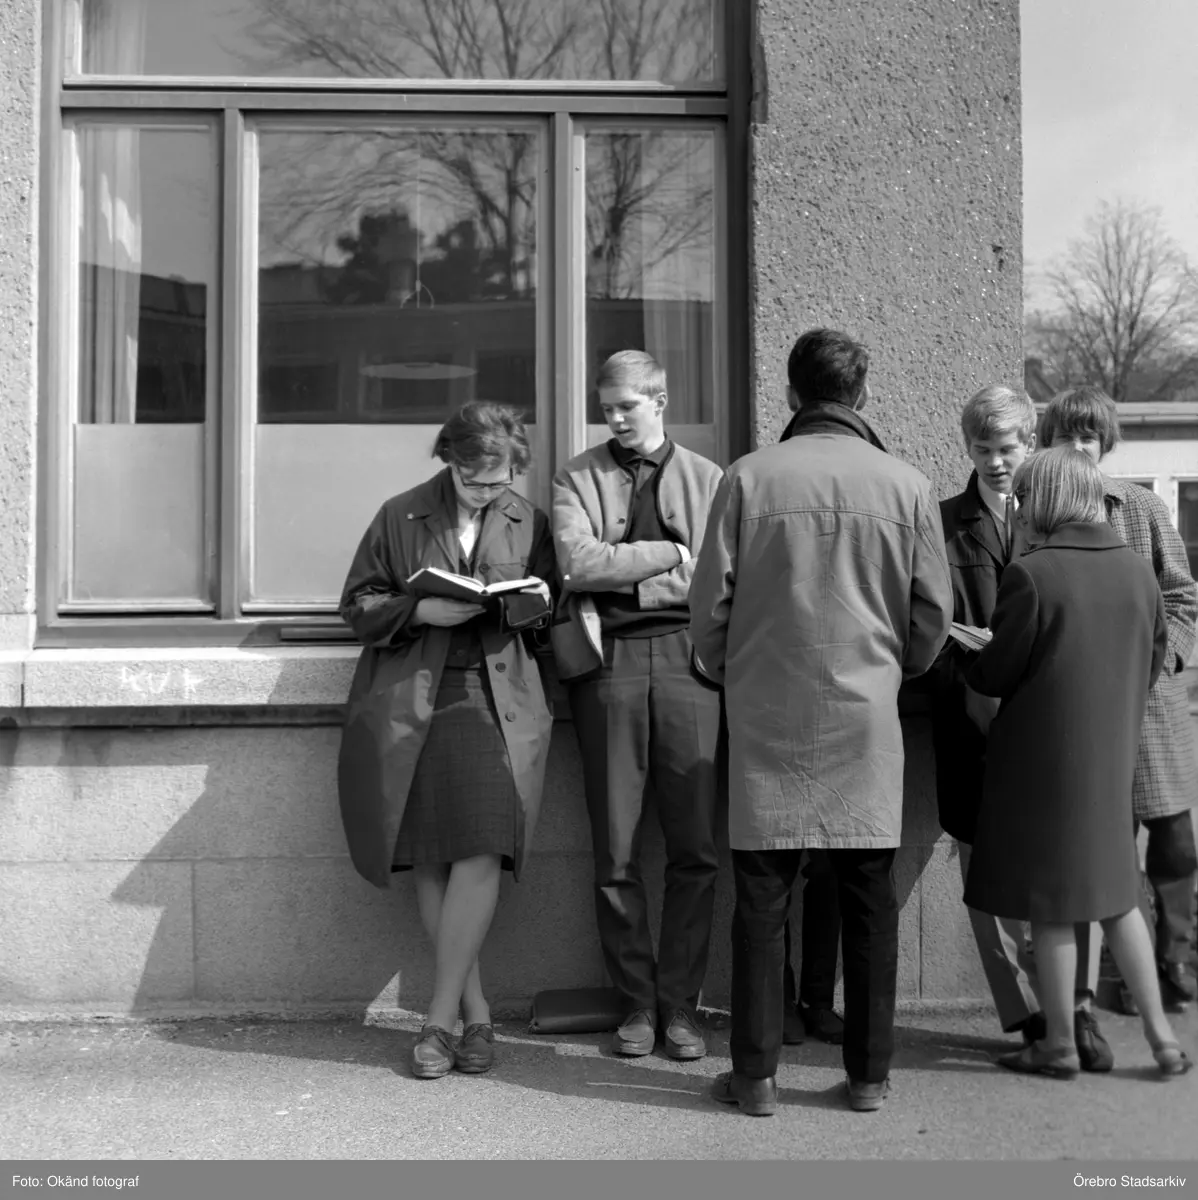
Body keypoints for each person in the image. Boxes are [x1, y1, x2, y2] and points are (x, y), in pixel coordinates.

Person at [689, 328, 953, 1115]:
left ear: (792, 395)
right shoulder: (906, 486)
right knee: (870, 899)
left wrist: (731, 670)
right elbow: (932, 618)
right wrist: (888, 671)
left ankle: (756, 1076)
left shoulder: (748, 478)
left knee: (761, 900)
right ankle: (869, 1077)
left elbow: (708, 612)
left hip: (768, 712)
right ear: (863, 397)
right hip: (866, 717)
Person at [337, 402, 556, 1081]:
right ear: (448, 458)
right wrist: (417, 608)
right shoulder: (399, 513)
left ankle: (437, 1020)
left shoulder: (530, 519)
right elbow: (357, 605)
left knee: (483, 844)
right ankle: (478, 1011)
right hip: (414, 699)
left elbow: (554, 611)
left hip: (495, 700)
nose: (487, 492)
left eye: (499, 482)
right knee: (431, 857)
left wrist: (532, 603)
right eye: (473, 479)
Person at [964, 447, 1191, 1079]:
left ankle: (1059, 1044)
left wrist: (974, 662)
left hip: (1041, 766)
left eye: (1027, 497)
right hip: (1113, 758)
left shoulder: (1033, 574)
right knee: (1120, 901)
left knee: (1051, 906)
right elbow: (1151, 666)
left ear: (1050, 498)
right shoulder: (1139, 575)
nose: (1021, 508)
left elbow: (998, 669)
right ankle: (1163, 1040)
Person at [551, 350, 724, 1062]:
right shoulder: (575, 475)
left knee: (695, 849)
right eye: (607, 407)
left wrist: (630, 572)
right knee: (615, 848)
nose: (615, 418)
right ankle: (636, 1005)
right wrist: (668, 555)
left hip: (692, 666)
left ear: (660, 399)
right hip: (607, 668)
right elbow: (576, 565)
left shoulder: (710, 477)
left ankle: (680, 1006)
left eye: (627, 405)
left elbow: (716, 576)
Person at [931, 385, 1111, 1071]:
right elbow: (924, 623)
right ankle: (1032, 1018)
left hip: (1054, 731)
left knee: (1070, 876)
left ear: (1032, 443)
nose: (999, 462)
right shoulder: (941, 524)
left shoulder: (1069, 518)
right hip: (974, 728)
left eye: (1009, 448)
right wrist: (967, 652)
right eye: (984, 450)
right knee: (986, 882)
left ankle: (1079, 1011)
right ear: (967, 450)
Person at [1039, 386, 1198, 1016]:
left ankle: (1176, 955)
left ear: (1104, 444)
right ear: (1047, 443)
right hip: (1082, 708)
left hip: (1153, 701)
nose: (1078, 446)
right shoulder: (1041, 513)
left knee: (1176, 841)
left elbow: (1183, 597)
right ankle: (1127, 976)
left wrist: (1170, 657)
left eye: (1089, 435)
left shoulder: (1144, 508)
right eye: (1065, 435)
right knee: (1108, 841)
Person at [779, 399, 844, 1047]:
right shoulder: (760, 482)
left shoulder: (755, 478)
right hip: (781, 703)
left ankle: (814, 999)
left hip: (841, 708)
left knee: (823, 869)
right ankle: (786, 1001)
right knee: (782, 865)